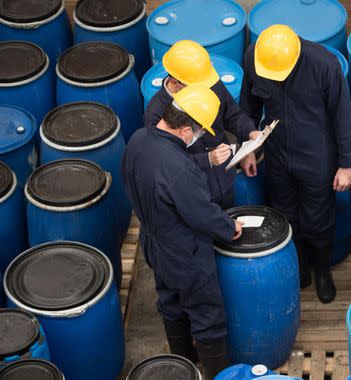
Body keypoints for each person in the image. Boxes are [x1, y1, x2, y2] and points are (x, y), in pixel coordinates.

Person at [123, 85, 242, 379]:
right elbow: (200, 212)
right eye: (200, 130)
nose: (201, 135)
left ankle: (183, 365)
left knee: (170, 302)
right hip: (186, 253)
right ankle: (218, 374)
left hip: (154, 242)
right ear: (186, 130)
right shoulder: (178, 167)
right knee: (207, 315)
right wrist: (229, 227)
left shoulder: (139, 140)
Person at [239, 25, 351, 304]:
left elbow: (344, 116)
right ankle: (300, 267)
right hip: (277, 151)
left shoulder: (325, 65)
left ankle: (321, 272)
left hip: (317, 154)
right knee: (284, 212)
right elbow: (248, 107)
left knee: (318, 217)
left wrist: (347, 165)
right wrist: (248, 149)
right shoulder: (255, 58)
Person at [144, 40, 260, 209]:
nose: (205, 92)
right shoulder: (156, 114)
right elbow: (165, 162)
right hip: (193, 191)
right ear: (176, 82)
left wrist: (249, 135)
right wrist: (207, 160)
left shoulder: (207, 83)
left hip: (224, 176)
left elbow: (232, 115)